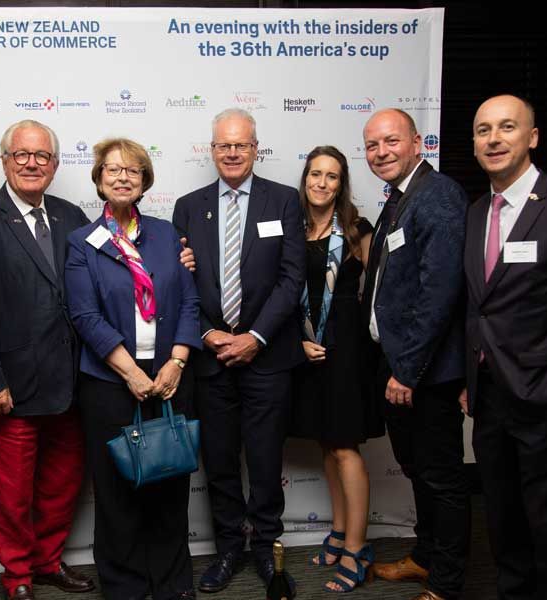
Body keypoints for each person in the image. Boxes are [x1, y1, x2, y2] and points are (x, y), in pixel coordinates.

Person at [0, 119, 95, 600]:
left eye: (43, 156)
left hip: (71, 383)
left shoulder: (73, 217)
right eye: (22, 155)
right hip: (10, 385)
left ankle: (48, 562)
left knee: (62, 484)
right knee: (12, 495)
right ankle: (18, 576)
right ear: (5, 160)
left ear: (55, 164)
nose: (33, 164)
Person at [461, 94, 547, 600]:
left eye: (506, 127)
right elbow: (478, 306)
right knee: (502, 519)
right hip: (490, 398)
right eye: (482, 130)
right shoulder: (477, 213)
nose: (493, 139)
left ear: (532, 137)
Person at [172, 108, 306, 592]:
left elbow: (293, 279)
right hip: (210, 360)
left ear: (256, 148)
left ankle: (268, 550)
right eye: (223, 145)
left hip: (267, 357)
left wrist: (256, 337)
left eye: (241, 144)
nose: (232, 152)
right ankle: (228, 549)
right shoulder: (189, 205)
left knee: (267, 460)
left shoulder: (284, 200)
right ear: (212, 150)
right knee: (221, 461)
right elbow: (179, 282)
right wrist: (208, 333)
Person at [64, 138, 202, 600]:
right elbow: (85, 316)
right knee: (117, 491)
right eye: (113, 170)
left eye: (133, 170)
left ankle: (171, 582)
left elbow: (189, 302)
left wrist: (178, 360)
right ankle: (124, 586)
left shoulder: (168, 235)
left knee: (169, 484)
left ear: (145, 180)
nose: (123, 177)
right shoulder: (81, 243)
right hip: (109, 380)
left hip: (169, 375)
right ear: (99, 179)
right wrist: (130, 373)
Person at [360, 109, 469, 600]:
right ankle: (425, 558)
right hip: (400, 365)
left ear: (417, 142)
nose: (380, 152)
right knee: (419, 471)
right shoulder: (401, 199)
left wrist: (406, 370)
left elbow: (439, 293)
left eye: (390, 141)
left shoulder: (438, 195)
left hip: (425, 373)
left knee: (441, 480)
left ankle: (446, 583)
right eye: (372, 145)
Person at [291, 146, 383, 592]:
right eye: (315, 174)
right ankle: (340, 531)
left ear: (341, 183)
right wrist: (296, 342)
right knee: (328, 445)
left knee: (346, 447)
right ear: (305, 178)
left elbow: (384, 284)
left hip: (346, 347)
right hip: (307, 344)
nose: (322, 183)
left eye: (332, 176)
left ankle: (357, 547)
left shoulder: (357, 228)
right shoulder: (293, 227)